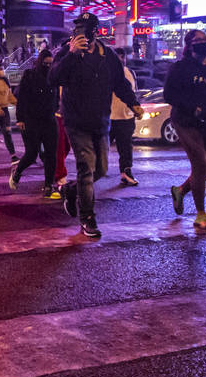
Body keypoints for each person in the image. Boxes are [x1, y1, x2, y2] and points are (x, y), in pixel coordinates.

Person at [49, 12, 142, 238]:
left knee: (101, 169)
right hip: (76, 121)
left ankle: (71, 190)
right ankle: (88, 218)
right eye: (78, 29)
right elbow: (53, 79)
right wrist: (71, 55)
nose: (82, 34)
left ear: (95, 32)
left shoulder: (108, 56)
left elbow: (119, 83)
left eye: (86, 29)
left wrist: (134, 103)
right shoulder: (66, 52)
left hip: (101, 121)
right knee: (87, 168)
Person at [164, 29, 206, 231]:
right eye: (198, 40)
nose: (203, 43)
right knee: (200, 164)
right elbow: (169, 94)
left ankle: (181, 190)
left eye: (205, 40)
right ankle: (201, 215)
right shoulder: (181, 68)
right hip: (187, 121)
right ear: (189, 45)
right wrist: (192, 108)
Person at [12, 49, 58, 197]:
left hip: (49, 119)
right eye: (46, 64)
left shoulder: (54, 77)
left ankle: (48, 184)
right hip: (32, 120)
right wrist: (20, 119)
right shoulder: (30, 76)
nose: (48, 66)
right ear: (40, 62)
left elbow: (57, 96)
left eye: (50, 64)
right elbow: (22, 98)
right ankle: (18, 171)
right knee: (31, 154)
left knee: (51, 154)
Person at [111, 47, 139, 187]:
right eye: (119, 57)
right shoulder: (107, 73)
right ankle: (91, 174)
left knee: (126, 149)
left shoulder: (130, 73)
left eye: (123, 57)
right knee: (100, 149)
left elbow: (133, 92)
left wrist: (136, 109)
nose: (122, 59)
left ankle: (126, 173)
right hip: (109, 117)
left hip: (126, 117)